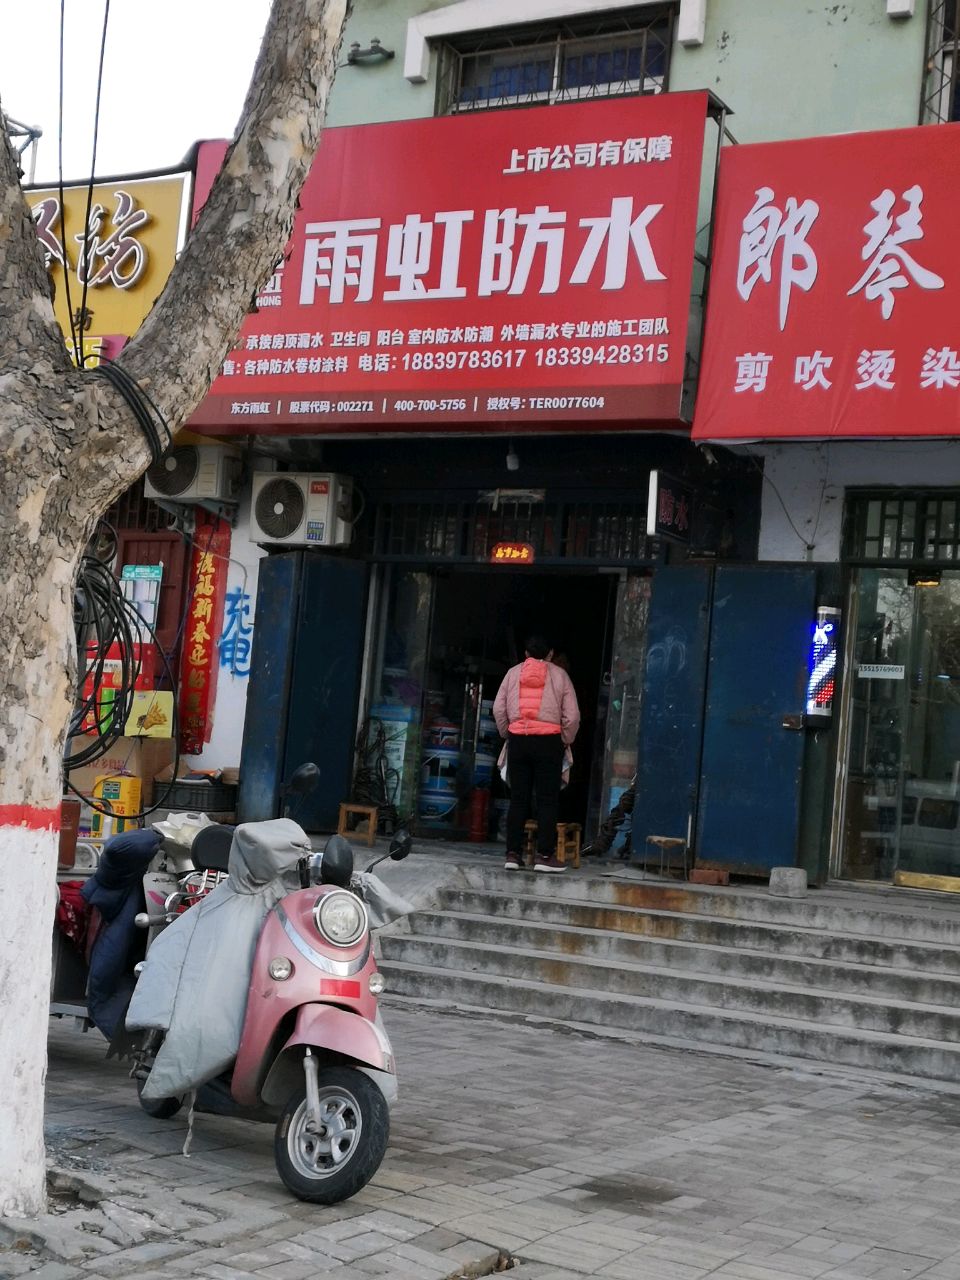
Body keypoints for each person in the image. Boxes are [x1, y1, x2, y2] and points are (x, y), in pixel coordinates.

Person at [493, 635, 580, 873]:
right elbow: (572, 716)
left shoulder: (513, 674)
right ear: (550, 654)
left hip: (519, 740)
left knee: (518, 798)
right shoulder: (560, 676)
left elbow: (499, 708)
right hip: (548, 742)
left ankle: (512, 854)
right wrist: (564, 739)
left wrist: (508, 733)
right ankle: (544, 856)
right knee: (547, 800)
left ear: (526, 653)